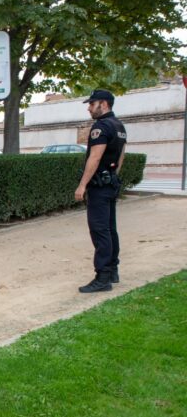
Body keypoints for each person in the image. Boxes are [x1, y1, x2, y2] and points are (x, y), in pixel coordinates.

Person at [74, 89, 127, 293]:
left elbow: (94, 158)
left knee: (99, 230)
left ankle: (102, 276)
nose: (89, 107)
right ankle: (112, 270)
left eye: (92, 103)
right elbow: (121, 154)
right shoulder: (119, 126)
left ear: (103, 104)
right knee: (110, 228)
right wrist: (113, 176)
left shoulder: (101, 126)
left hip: (99, 186)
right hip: (111, 183)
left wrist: (82, 184)